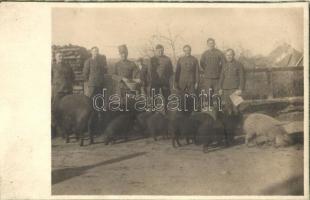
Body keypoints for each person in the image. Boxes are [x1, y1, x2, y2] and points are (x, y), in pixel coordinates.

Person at [219, 48, 245, 143]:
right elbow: (221, 77)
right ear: (225, 56)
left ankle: (240, 129)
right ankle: (230, 133)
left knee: (237, 109)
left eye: (230, 55)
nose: (229, 56)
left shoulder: (238, 65)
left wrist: (240, 89)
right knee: (228, 110)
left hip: (235, 90)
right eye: (227, 55)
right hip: (226, 90)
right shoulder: (224, 65)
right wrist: (220, 88)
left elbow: (242, 77)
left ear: (233, 55)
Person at [149, 44, 174, 112]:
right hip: (155, 82)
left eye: (162, 51)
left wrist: (168, 80)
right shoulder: (152, 59)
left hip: (165, 82)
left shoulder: (167, 59)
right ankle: (153, 113)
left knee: (167, 97)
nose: (160, 52)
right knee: (154, 98)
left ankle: (167, 113)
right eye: (159, 51)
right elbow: (149, 71)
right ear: (156, 51)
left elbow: (171, 71)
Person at [175, 45, 199, 111]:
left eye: (188, 50)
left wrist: (197, 82)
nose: (187, 52)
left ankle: (191, 113)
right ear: (184, 51)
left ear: (190, 50)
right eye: (185, 50)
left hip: (191, 82)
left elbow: (197, 72)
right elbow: (177, 72)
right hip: (182, 82)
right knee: (182, 99)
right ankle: (182, 113)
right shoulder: (180, 59)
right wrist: (176, 82)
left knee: (192, 98)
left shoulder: (194, 59)